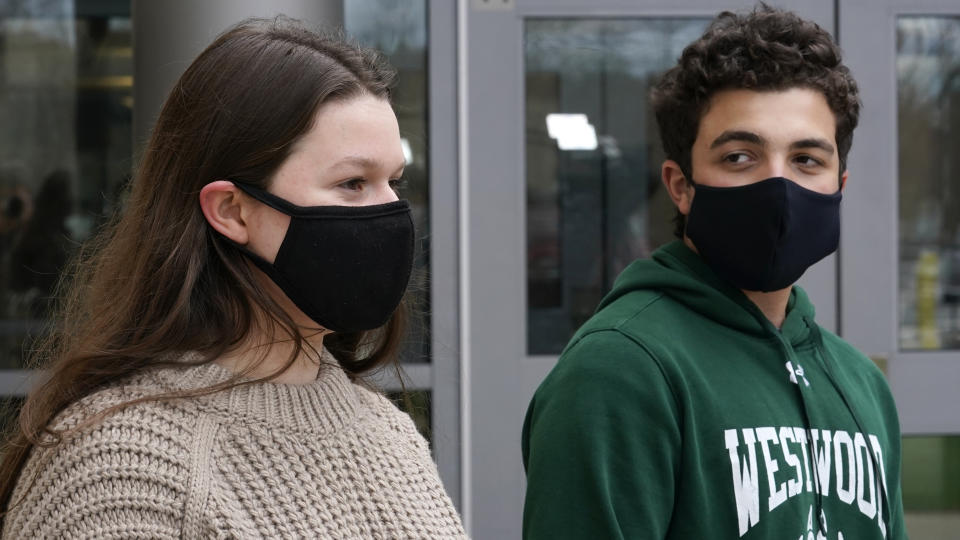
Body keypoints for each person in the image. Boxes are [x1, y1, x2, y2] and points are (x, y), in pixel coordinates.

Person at [0, 18, 465, 538]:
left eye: (394, 181)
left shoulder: (388, 432)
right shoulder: (117, 471)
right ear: (232, 211)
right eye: (353, 183)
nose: (393, 213)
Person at [522, 5, 907, 539]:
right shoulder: (619, 370)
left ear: (839, 185)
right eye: (739, 157)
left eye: (806, 160)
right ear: (681, 186)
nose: (779, 187)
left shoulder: (861, 384)